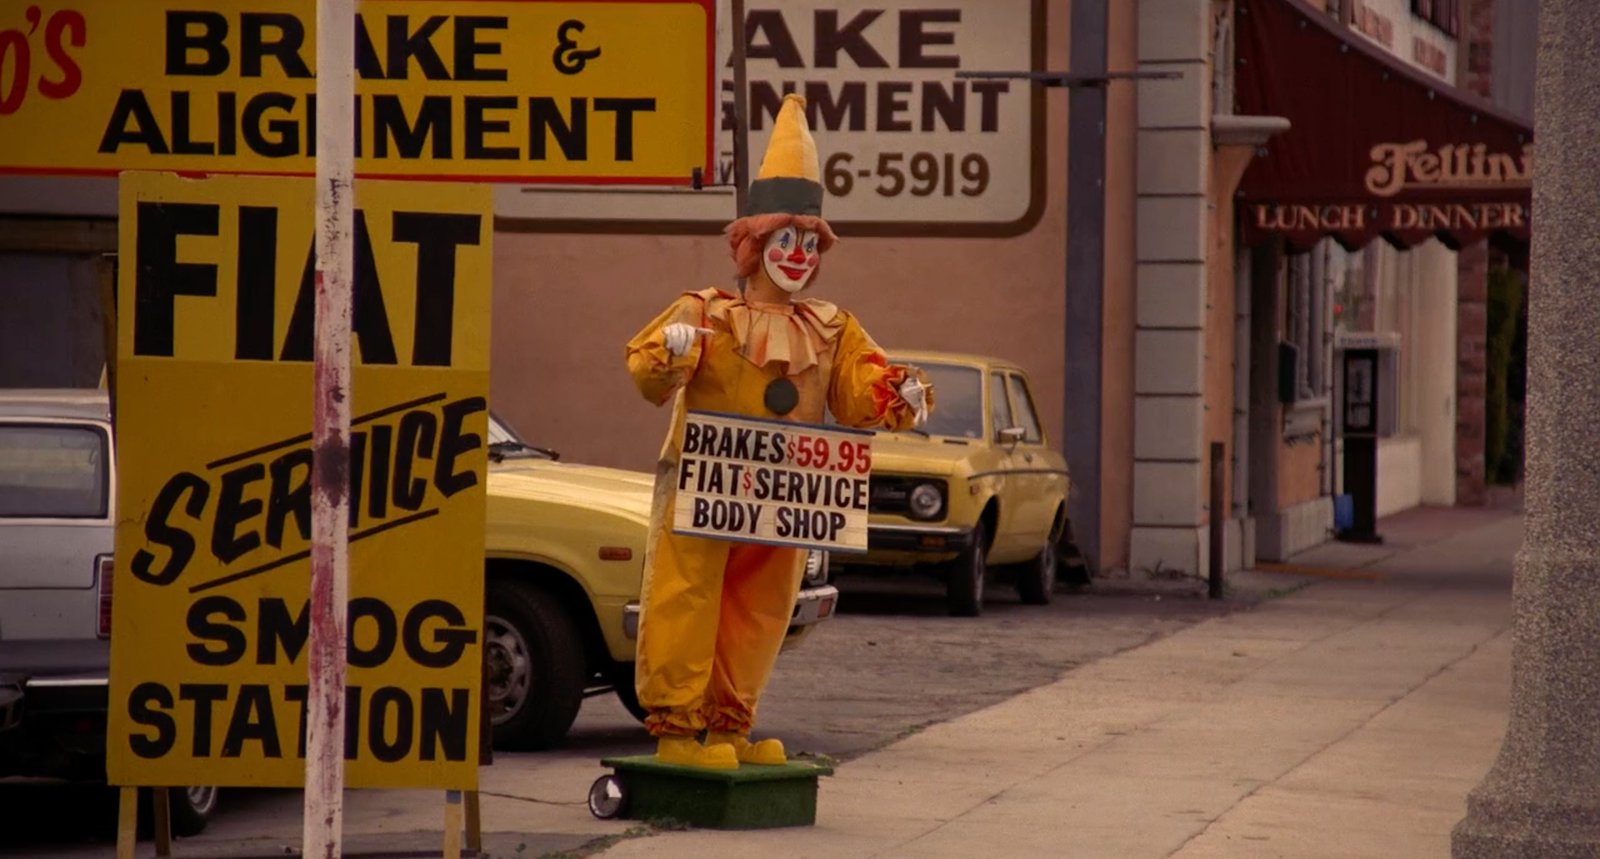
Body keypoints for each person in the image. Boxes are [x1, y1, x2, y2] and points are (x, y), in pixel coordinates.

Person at [624, 94, 932, 770]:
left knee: (760, 610)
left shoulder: (831, 326)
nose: (798, 254)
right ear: (754, 243)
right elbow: (649, 377)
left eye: (809, 243)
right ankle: (677, 732)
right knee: (686, 597)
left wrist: (897, 393)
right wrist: (673, 353)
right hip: (704, 489)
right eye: (785, 240)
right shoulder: (707, 311)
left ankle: (729, 727)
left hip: (785, 494)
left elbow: (858, 394)